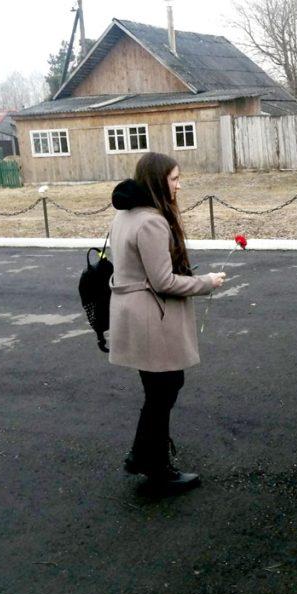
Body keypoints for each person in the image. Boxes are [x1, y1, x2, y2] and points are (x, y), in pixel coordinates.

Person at [108, 152, 226, 493]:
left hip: (132, 312)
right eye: (174, 178)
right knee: (164, 389)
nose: (179, 184)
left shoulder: (125, 215)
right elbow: (163, 281)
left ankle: (143, 455)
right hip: (150, 316)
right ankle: (156, 467)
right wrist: (207, 283)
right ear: (159, 181)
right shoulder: (152, 221)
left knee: (159, 389)